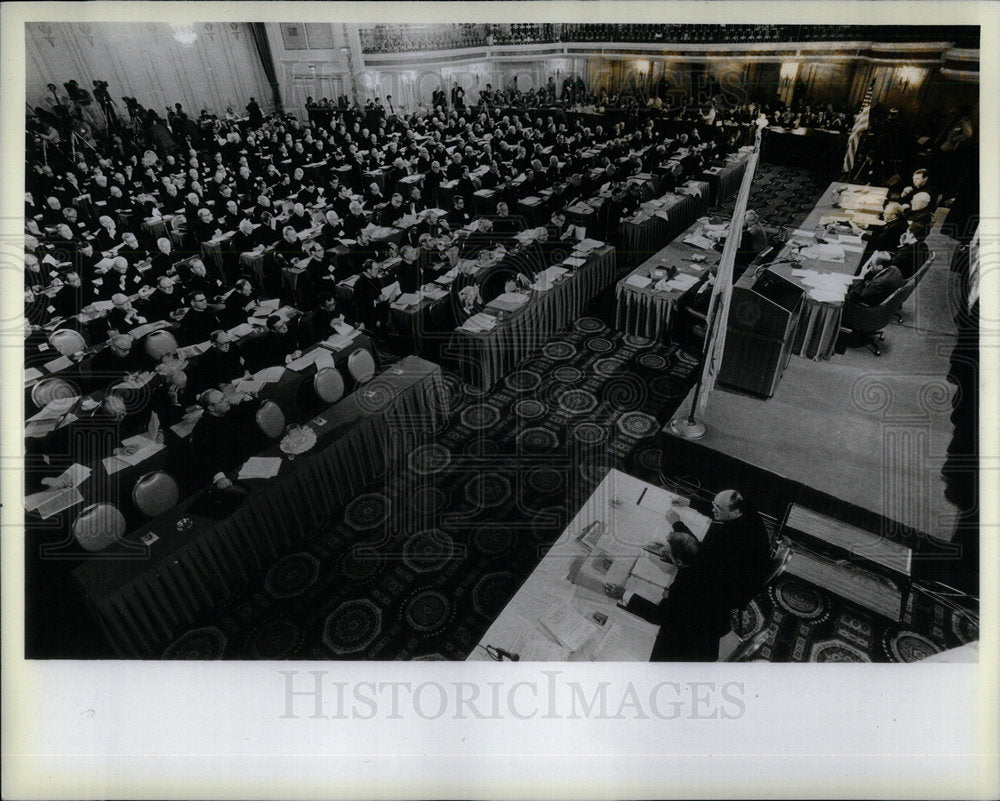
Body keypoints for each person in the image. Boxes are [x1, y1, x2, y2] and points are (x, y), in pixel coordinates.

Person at [626, 490, 771, 661]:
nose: (713, 509)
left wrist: (677, 525)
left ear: (735, 512)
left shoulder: (727, 543)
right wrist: (689, 502)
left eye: (718, 508)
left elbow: (698, 554)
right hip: (741, 576)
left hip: (727, 596)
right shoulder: (746, 510)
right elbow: (703, 551)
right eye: (713, 505)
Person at [189, 388, 260, 489]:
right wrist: (220, 478)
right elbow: (205, 458)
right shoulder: (203, 429)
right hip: (231, 471)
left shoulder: (229, 410)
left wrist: (246, 396)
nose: (227, 400)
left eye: (224, 397)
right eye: (221, 400)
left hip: (251, 459)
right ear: (211, 408)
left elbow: (253, 407)